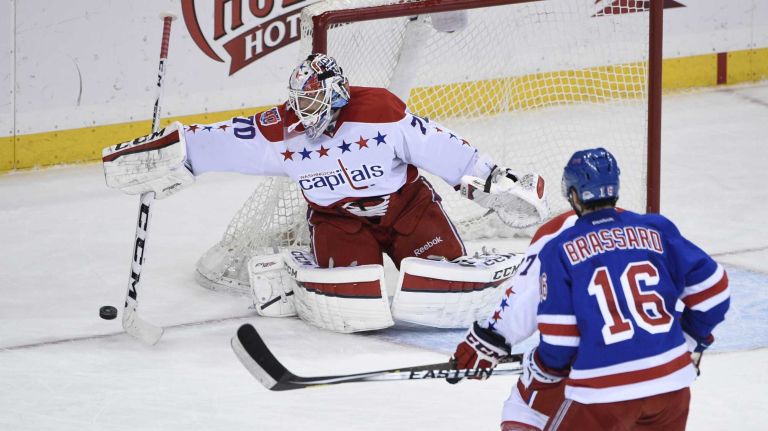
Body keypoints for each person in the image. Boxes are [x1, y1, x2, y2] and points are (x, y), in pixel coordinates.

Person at [101, 53, 548, 332]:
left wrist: (489, 181)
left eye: (312, 103)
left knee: (444, 284)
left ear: (336, 95)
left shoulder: (381, 112)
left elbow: (440, 145)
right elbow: (222, 139)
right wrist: (172, 154)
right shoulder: (282, 132)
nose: (302, 113)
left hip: (406, 208)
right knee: (357, 301)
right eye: (298, 103)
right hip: (339, 220)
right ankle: (300, 269)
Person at [449, 148, 730, 430]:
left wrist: (533, 363)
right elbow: (714, 290)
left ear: (572, 194)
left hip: (604, 390)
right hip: (672, 384)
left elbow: (557, 339)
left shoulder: (559, 243)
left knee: (524, 405)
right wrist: (690, 341)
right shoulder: (655, 228)